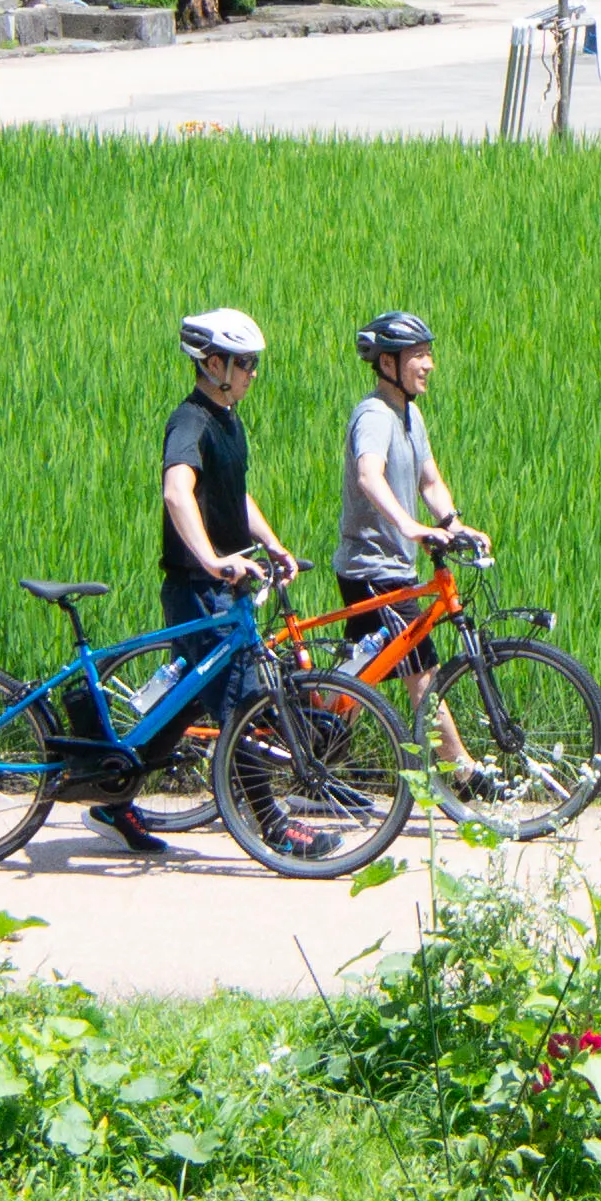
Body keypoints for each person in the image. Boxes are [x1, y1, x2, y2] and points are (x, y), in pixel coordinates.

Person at [92, 305, 306, 855]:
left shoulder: (228, 420)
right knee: (245, 703)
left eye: (255, 363)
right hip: (197, 589)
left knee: (187, 702)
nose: (254, 372)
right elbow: (176, 492)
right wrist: (213, 560)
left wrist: (273, 544)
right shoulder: (190, 421)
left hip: (222, 590)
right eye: (245, 362)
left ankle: (113, 799)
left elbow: (234, 495)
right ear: (213, 364)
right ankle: (274, 828)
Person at [338, 310, 492, 788]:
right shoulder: (374, 416)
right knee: (420, 670)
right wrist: (410, 526)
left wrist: (452, 523)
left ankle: (313, 755)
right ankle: (463, 774)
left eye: (429, 354)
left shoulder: (410, 413)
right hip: (371, 565)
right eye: (418, 356)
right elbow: (368, 475)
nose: (428, 365)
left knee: (357, 675)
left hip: (392, 565)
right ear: (388, 362)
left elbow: (430, 480)